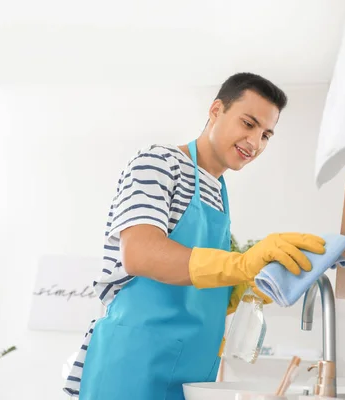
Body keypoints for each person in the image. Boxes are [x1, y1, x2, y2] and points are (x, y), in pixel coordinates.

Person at [63, 72, 326, 400]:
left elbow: (197, 286)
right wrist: (241, 264)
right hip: (135, 363)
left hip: (192, 370)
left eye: (266, 135)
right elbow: (141, 254)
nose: (255, 143)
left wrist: (248, 285)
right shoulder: (158, 163)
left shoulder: (219, 192)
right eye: (248, 124)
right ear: (216, 110)